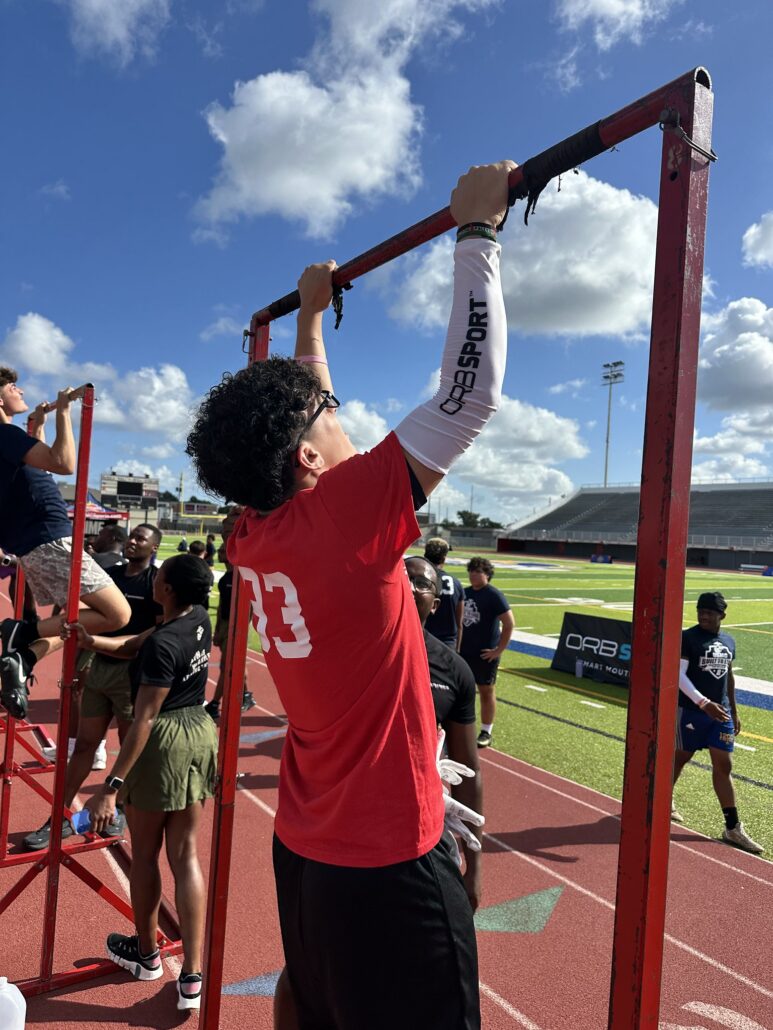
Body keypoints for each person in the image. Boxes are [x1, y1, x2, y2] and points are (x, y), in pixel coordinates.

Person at [186, 160, 514, 1030]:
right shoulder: (342, 518)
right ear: (308, 459)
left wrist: (308, 320)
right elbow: (467, 394)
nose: (341, 413)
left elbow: (303, 417)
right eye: (329, 410)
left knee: (312, 1005)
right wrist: (476, 234)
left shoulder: (256, 528)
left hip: (308, 840)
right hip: (387, 860)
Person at [273, 555, 484, 1029]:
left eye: (423, 583)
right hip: (336, 831)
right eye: (401, 577)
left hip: (419, 836)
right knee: (312, 975)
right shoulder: (348, 647)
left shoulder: (453, 670)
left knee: (422, 981)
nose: (411, 587)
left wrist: (473, 872)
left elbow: (470, 768)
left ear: (437, 600)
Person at [68, 553, 217, 1011]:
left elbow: (145, 719)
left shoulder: (164, 642)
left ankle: (147, 953)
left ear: (167, 589)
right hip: (199, 732)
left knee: (147, 854)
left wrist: (110, 785)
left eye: (162, 577)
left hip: (166, 739)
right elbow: (134, 644)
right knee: (186, 854)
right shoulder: (196, 621)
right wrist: (92, 640)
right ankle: (193, 974)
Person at [23, 524, 164, 851]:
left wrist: (119, 646)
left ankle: (118, 808)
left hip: (131, 673)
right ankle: (57, 818)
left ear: (153, 547)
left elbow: (155, 633)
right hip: (100, 667)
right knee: (85, 745)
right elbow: (83, 614)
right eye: (132, 536)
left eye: (141, 538)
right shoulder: (110, 573)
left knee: (130, 746)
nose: (132, 541)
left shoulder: (154, 582)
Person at [0, 369, 131, 719]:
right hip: (50, 540)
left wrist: (38, 425)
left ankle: (24, 655)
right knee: (118, 614)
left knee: (79, 618)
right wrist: (63, 413)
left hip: (38, 542)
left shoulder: (9, 441)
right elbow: (63, 463)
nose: (21, 388)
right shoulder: (4, 435)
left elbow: (32, 471)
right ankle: (24, 633)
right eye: (13, 387)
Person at [671, 591, 763, 853]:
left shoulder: (729, 641)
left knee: (724, 765)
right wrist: (703, 703)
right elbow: (678, 675)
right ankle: (662, 802)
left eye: (710, 612)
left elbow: (728, 676)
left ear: (722, 615)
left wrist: (733, 709)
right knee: (679, 759)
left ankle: (732, 827)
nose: (704, 615)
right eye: (701, 610)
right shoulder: (688, 638)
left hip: (720, 713)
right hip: (690, 711)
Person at [460, 556, 514, 749]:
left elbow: (509, 623)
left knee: (485, 691)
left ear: (487, 575)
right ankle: (458, 728)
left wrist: (498, 650)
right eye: (471, 571)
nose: (473, 574)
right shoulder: (464, 592)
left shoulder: (493, 595)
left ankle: (486, 731)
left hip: (484, 654)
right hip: (462, 652)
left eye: (478, 571)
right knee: (459, 691)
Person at [203, 541, 255, 719]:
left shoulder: (241, 576)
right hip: (225, 624)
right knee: (232, 665)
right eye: (219, 550)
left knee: (227, 666)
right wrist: (218, 630)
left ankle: (215, 703)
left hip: (237, 625)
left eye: (223, 551)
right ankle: (247, 695)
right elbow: (221, 606)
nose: (220, 553)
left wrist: (241, 628)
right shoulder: (225, 578)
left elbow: (250, 606)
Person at [424, 536, 465, 651]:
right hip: (447, 645)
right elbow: (459, 623)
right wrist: (457, 651)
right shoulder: (456, 583)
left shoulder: (415, 578)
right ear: (444, 558)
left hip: (421, 639)